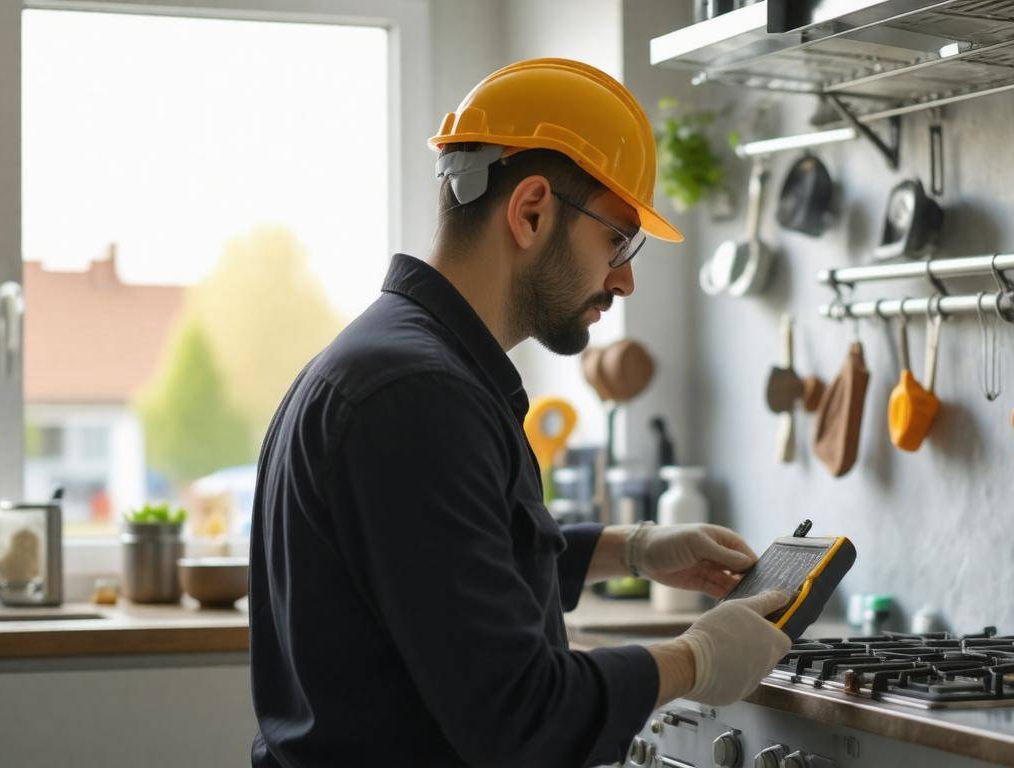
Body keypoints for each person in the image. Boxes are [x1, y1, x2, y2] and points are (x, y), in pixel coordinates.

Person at [249, 58, 791, 768]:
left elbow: (444, 567)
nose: (623, 278)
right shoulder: (417, 397)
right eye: (618, 240)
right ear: (531, 211)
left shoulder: (394, 362)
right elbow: (521, 715)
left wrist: (632, 549)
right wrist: (695, 658)